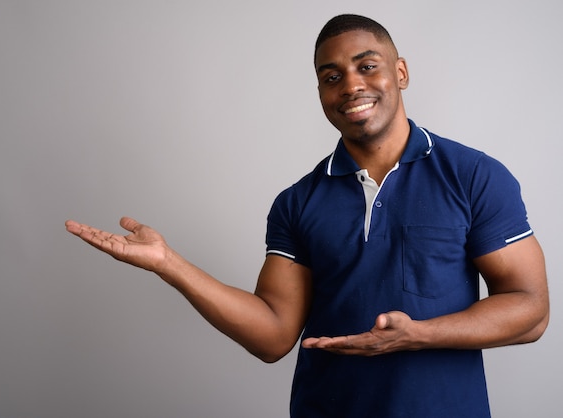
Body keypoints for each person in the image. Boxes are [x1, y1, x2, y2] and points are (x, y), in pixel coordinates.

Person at [65, 14, 549, 418]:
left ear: (400, 72)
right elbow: (274, 334)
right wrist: (169, 264)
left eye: (367, 66)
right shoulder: (297, 202)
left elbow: (530, 310)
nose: (351, 85)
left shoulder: (473, 175)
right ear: (320, 91)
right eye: (332, 76)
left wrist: (417, 335)